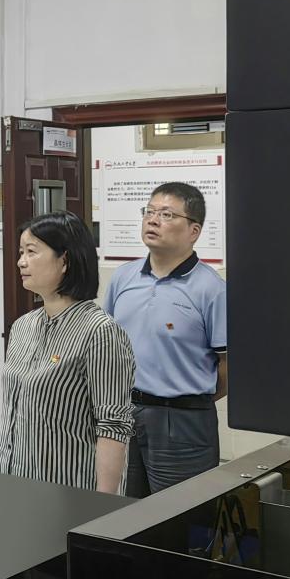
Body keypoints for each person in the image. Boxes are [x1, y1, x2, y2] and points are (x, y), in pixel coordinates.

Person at [0, 211, 134, 494]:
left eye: (31, 251)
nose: (21, 261)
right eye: (21, 252)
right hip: (15, 482)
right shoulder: (23, 326)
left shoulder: (100, 332)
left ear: (65, 260)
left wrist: (104, 504)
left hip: (70, 492)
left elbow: (113, 427)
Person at [105, 182, 227, 497]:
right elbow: (107, 346)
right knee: (124, 511)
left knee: (180, 513)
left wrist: (186, 401)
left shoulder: (211, 289)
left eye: (167, 214)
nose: (153, 219)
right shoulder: (123, 278)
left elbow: (229, 367)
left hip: (183, 421)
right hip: (124, 413)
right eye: (149, 211)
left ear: (194, 231)